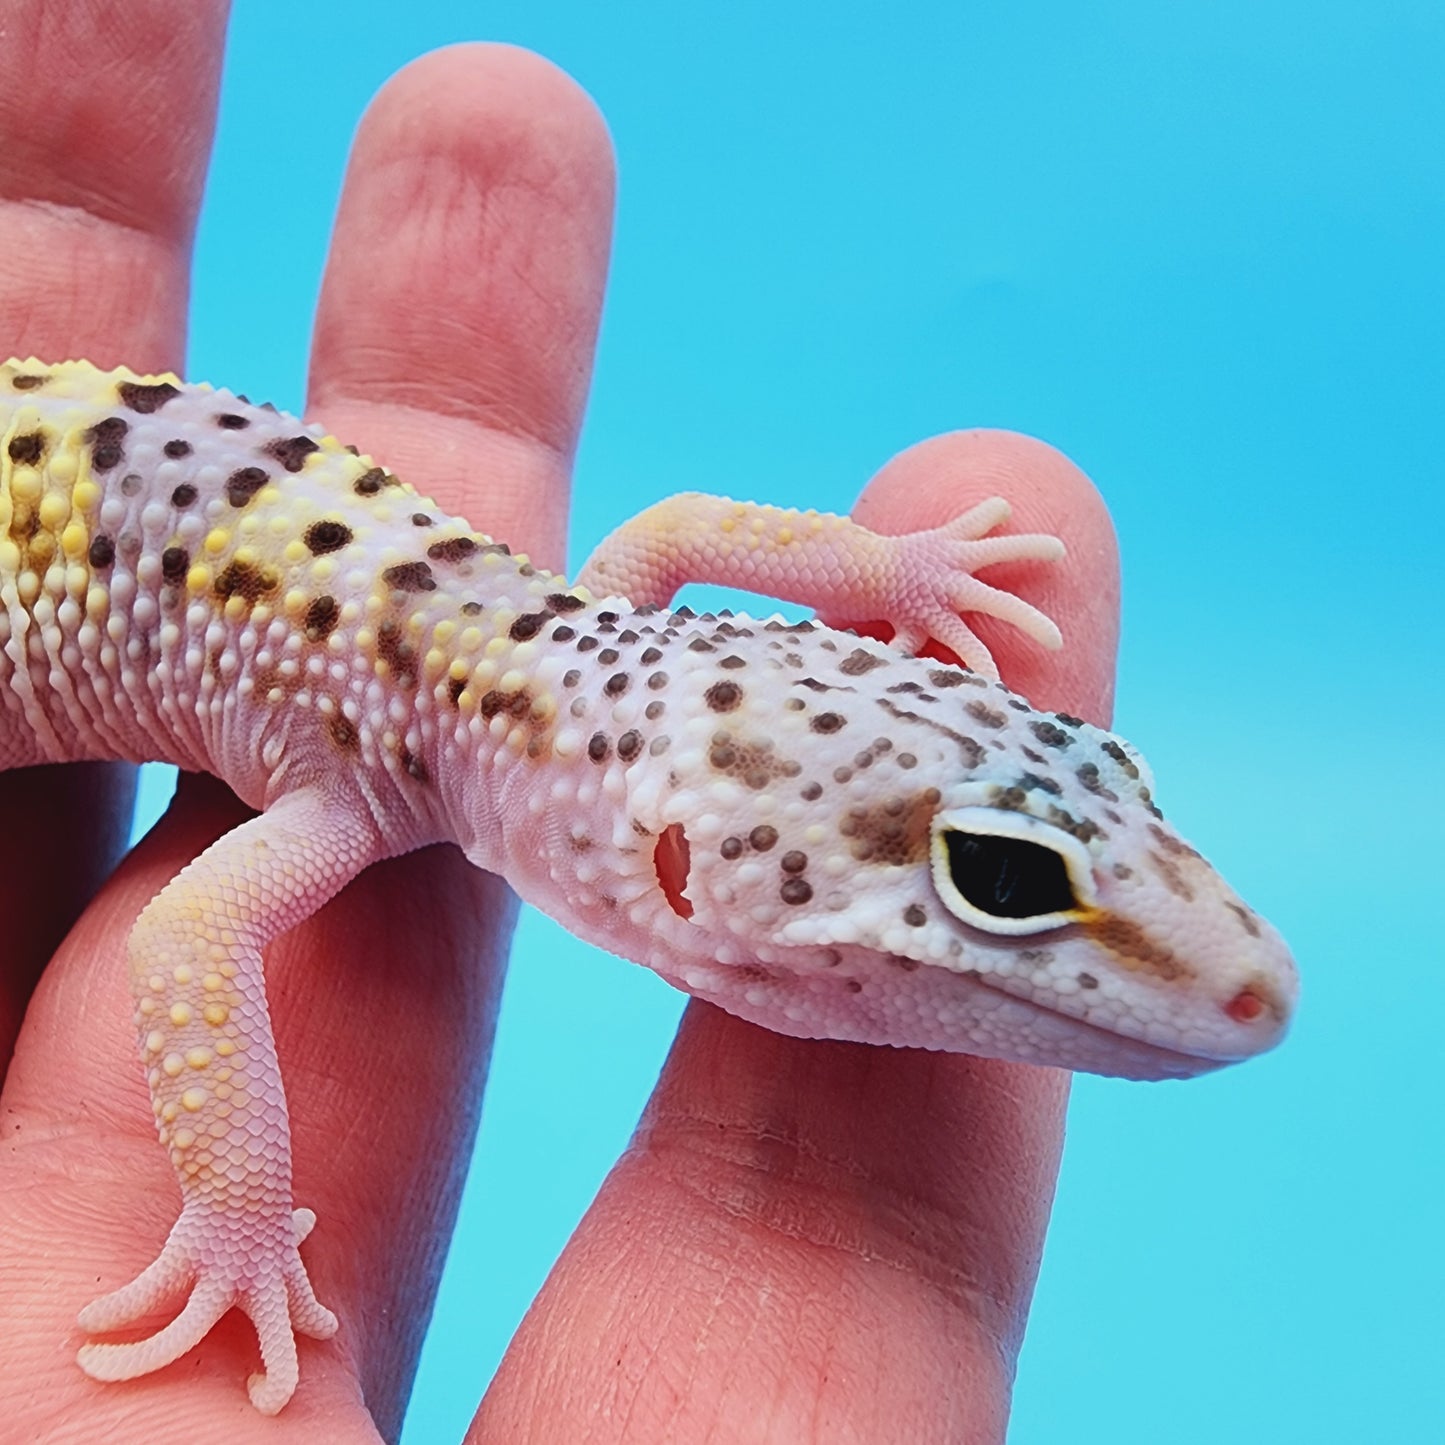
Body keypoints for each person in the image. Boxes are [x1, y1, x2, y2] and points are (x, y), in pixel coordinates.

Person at [0, 8, 1119, 1439]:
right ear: (664, 862)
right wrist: (235, 1212)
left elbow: (673, 533)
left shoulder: (581, 626)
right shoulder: (353, 793)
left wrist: (883, 574)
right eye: (985, 884)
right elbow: (185, 936)